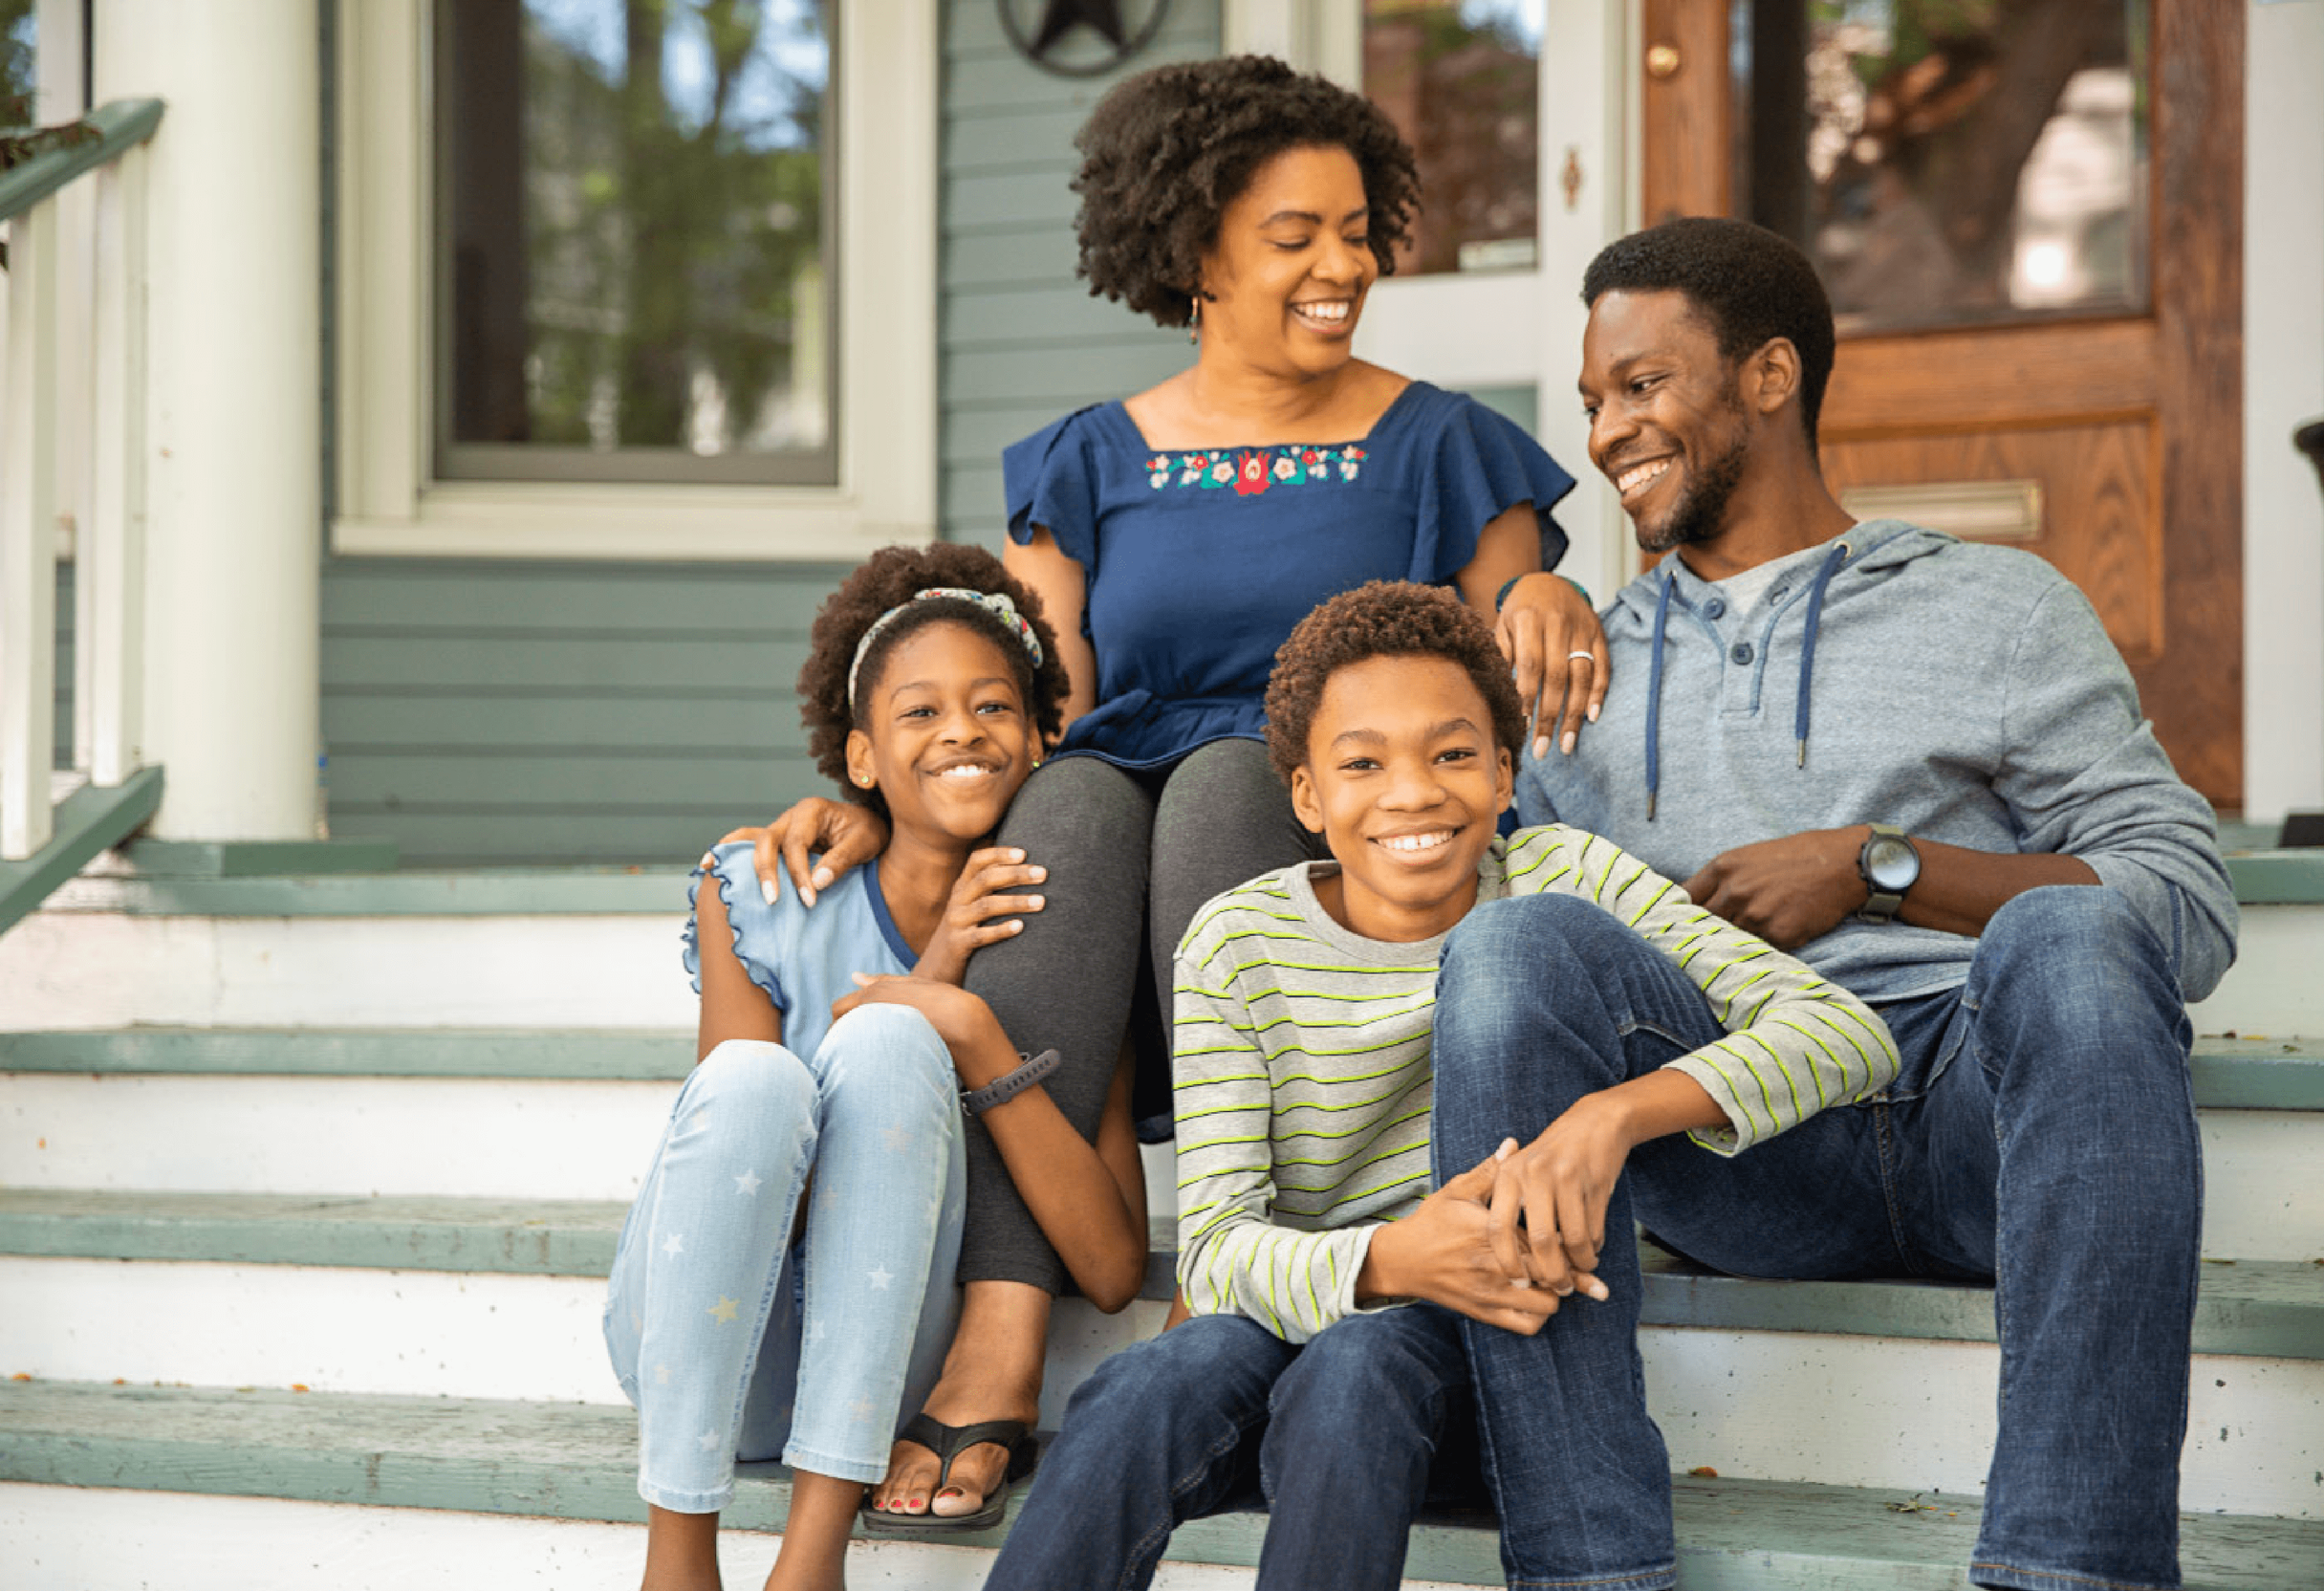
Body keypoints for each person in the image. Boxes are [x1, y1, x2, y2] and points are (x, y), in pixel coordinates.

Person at [733, 54, 1610, 1524]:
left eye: (1358, 230)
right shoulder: (1084, 463)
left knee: (1213, 781)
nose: (1346, 267)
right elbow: (1022, 710)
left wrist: (1552, 608)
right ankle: (1003, 1323)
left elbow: (1495, 656)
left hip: (1324, 856)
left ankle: (1233, 1266)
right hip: (1115, 879)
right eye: (1296, 238)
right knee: (1070, 802)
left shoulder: (1449, 445)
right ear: (1194, 250)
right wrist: (872, 808)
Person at [1474, 215, 2239, 1590]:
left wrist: (1883, 864)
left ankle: (2072, 1572)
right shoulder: (1576, 666)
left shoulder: (1997, 608)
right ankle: (1586, 1568)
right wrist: (1511, 603)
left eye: (1642, 386)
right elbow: (1472, 946)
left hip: (1978, 1119)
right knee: (1510, 943)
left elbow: (2180, 903)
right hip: (1734, 1138)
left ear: (1770, 377)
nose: (1604, 433)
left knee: (2072, 932)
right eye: (1594, 399)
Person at [982, 581, 1896, 1591]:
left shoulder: (1564, 874)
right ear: (1306, 796)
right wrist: (1389, 1255)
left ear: (1505, 773)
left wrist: (1615, 1114)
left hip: (1479, 1357)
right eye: (1362, 762)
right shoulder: (1237, 942)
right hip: (1319, 1292)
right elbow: (1218, 1245)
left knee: (1357, 1370)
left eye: (1452, 753)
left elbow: (1843, 1030)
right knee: (1137, 1385)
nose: (1412, 791)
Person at [602, 544, 1148, 1591]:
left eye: (993, 706)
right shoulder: (759, 888)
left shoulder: (1057, 952)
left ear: (1041, 739)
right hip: (703, 1340)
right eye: (919, 712)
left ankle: (810, 1562)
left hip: (878, 1369)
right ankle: (676, 1556)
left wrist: (962, 1015)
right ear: (859, 757)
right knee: (768, 1075)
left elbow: (1114, 1270)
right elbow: (738, 1164)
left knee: (895, 1036)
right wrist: (926, 972)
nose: (960, 732)